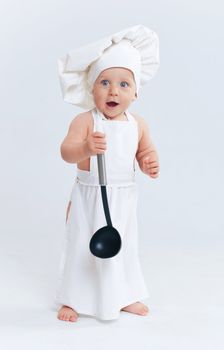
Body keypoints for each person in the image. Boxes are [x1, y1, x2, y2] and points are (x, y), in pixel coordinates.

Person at [54, 24, 160, 322]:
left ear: (136, 92)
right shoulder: (85, 121)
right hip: (90, 196)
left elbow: (144, 151)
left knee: (123, 247)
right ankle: (72, 299)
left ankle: (124, 295)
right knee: (81, 246)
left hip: (124, 198)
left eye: (124, 84)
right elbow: (66, 151)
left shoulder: (137, 124)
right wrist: (85, 147)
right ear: (92, 89)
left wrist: (149, 161)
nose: (114, 90)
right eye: (104, 83)